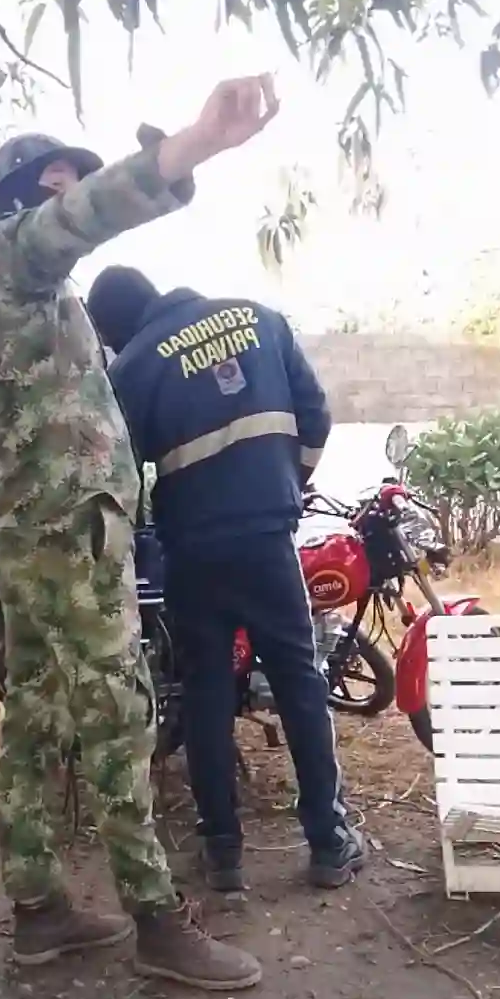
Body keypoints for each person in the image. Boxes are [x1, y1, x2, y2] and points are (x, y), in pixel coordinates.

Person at [0, 77, 279, 990]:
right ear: (21, 200)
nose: (70, 192)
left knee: (37, 715)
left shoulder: (36, 303)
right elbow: (85, 216)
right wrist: (192, 146)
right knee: (118, 709)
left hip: (37, 528)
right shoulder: (14, 260)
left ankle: (39, 910)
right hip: (67, 530)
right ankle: (156, 919)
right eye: (55, 181)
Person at [86, 268, 366, 893]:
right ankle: (328, 843)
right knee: (298, 683)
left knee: (207, 693)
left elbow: (120, 473)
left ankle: (222, 853)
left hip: (192, 554)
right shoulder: (260, 318)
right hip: (267, 541)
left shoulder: (130, 368)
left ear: (111, 327)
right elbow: (315, 418)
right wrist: (286, 486)